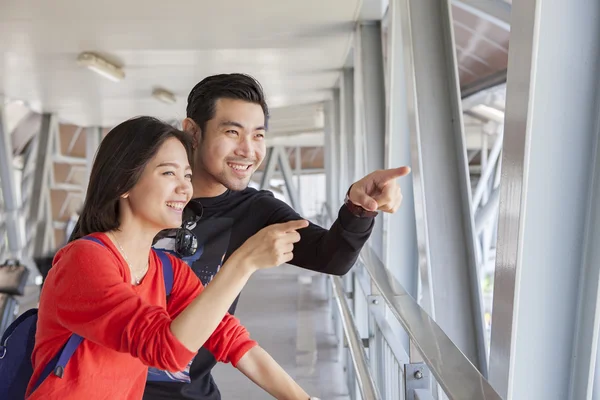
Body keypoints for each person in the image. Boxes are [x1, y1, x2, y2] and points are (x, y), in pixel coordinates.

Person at [145, 74, 410, 400]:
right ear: (192, 132)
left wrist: (359, 208)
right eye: (232, 132)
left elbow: (333, 257)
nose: (248, 150)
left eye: (258, 135)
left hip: (192, 390)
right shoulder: (143, 200)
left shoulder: (255, 210)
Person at [27, 117, 316, 400]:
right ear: (123, 184)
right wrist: (243, 262)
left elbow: (234, 342)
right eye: (168, 173)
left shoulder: (167, 270)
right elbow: (167, 350)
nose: (184, 188)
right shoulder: (84, 260)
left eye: (187, 175)